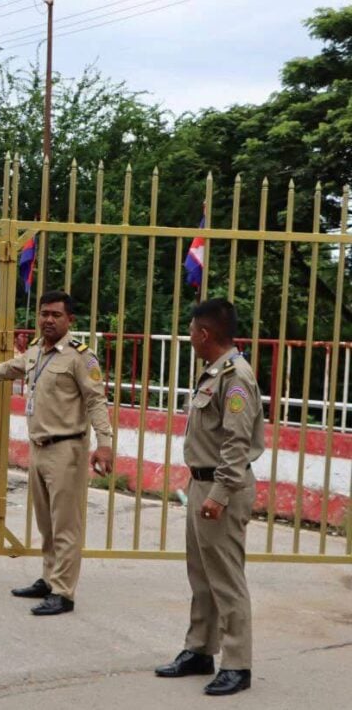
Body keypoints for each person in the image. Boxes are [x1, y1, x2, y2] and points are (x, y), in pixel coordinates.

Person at [0, 290, 113, 615]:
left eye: (56, 315)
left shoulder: (81, 357)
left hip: (67, 449)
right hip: (39, 448)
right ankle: (49, 579)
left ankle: (63, 592)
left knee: (66, 524)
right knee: (46, 522)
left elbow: (96, 400)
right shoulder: (36, 350)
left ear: (70, 320)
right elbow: (9, 369)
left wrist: (105, 443)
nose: (48, 319)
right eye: (44, 313)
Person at [155, 298, 264, 696]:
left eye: (191, 330)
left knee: (226, 578)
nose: (189, 337)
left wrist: (218, 493)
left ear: (204, 334)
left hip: (225, 488)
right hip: (205, 482)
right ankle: (200, 649)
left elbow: (236, 443)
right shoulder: (214, 373)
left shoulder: (235, 377)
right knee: (201, 575)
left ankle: (237, 663)